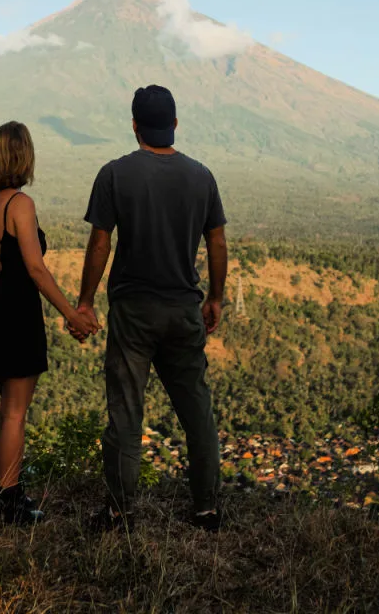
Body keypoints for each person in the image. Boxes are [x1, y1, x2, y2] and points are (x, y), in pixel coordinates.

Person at [76, 85, 228, 532]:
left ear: (135, 125)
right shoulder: (202, 176)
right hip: (184, 309)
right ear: (175, 124)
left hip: (134, 311)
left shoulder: (115, 174)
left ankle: (121, 512)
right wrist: (215, 297)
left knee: (126, 411)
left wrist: (84, 301)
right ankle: (206, 509)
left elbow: (100, 241)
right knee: (197, 410)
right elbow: (216, 240)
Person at [0, 121, 98, 526]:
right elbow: (36, 270)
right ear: (23, 158)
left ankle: (9, 497)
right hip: (19, 315)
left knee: (7, 410)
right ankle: (9, 504)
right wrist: (72, 314)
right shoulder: (19, 205)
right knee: (15, 413)